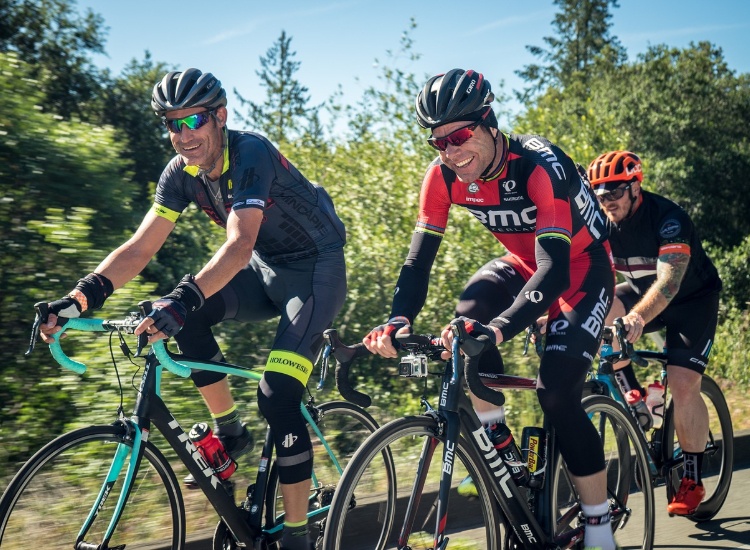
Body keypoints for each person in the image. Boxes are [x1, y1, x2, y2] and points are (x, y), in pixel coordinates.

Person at [39, 68, 347, 550]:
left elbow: (239, 244)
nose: (184, 135)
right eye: (172, 124)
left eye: (194, 121)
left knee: (277, 395)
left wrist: (183, 299)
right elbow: (140, 248)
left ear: (220, 116)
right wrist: (79, 298)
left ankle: (296, 535)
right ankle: (231, 432)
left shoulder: (250, 153)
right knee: (177, 310)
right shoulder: (180, 173)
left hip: (314, 274)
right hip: (265, 271)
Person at [364, 69, 617, 550]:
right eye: (438, 142)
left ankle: (600, 528)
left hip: (580, 267)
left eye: (459, 136)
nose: (450, 151)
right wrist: (398, 318)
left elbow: (555, 271)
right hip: (523, 263)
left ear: (489, 123)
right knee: (466, 318)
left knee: (556, 393)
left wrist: (498, 331)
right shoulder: (442, 177)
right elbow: (417, 262)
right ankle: (500, 446)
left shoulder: (538, 166)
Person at [587, 150, 722, 516]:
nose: (607, 201)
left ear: (635, 186)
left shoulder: (669, 218)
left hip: (691, 301)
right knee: (597, 311)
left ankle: (692, 478)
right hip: (640, 293)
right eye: (599, 194)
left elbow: (669, 282)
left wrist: (636, 318)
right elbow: (580, 275)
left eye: (615, 192)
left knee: (682, 383)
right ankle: (633, 394)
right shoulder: (600, 222)